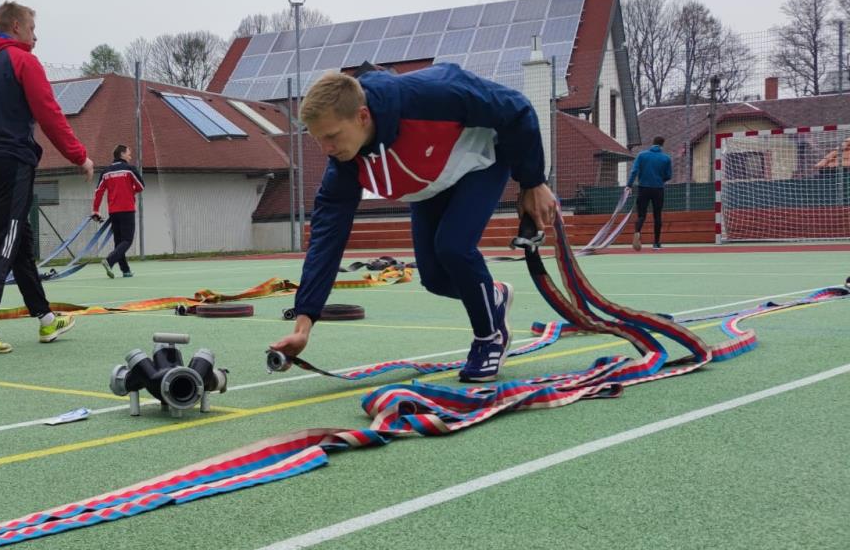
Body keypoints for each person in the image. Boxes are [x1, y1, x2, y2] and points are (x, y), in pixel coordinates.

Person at [270, 67, 559, 383]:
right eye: (318, 139)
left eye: (331, 136)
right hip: (429, 185)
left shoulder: (431, 95)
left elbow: (516, 107)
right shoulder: (344, 166)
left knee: (453, 247)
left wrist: (533, 181)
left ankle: (490, 337)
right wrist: (303, 325)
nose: (326, 149)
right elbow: (326, 242)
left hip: (481, 162)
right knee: (434, 278)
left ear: (362, 116)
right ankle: (492, 296)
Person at [0, 1, 93, 355]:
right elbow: (48, 112)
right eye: (32, 28)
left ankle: (46, 318)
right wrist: (79, 155)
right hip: (12, 162)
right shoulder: (23, 60)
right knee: (3, 244)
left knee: (20, 241)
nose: (35, 36)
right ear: (15, 26)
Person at [91, 144, 144, 278]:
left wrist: (96, 210)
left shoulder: (106, 171)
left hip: (113, 211)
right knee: (127, 240)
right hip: (127, 209)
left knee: (119, 242)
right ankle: (109, 261)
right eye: (128, 153)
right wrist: (130, 191)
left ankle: (125, 270)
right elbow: (141, 186)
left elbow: (99, 192)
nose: (130, 156)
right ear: (122, 154)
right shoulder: (129, 169)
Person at [628, 136, 673, 251]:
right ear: (662, 145)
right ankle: (656, 243)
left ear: (652, 143)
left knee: (641, 215)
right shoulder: (666, 158)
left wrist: (629, 185)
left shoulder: (642, 155)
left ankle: (637, 231)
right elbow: (668, 176)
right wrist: (660, 179)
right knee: (657, 215)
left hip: (643, 187)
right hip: (658, 189)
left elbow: (634, 171)